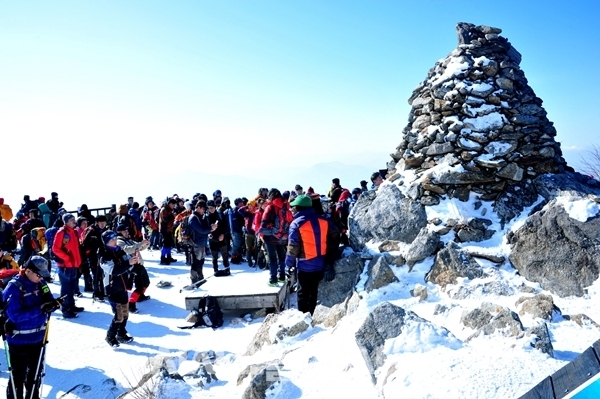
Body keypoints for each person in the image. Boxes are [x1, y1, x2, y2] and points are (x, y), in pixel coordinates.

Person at [2, 256, 61, 399]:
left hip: (38, 338)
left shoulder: (41, 284)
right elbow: (15, 315)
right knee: (18, 377)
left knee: (35, 375)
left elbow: (48, 301)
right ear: (28, 271)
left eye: (43, 275)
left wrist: (53, 305)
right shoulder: (13, 287)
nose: (41, 278)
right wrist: (40, 309)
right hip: (19, 340)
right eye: (38, 274)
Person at [285, 195, 339, 315]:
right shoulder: (324, 220)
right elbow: (335, 235)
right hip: (320, 264)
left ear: (299, 208)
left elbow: (293, 246)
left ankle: (304, 319)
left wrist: (288, 264)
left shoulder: (296, 223)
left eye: (293, 207)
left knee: (302, 293)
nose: (292, 209)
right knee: (313, 292)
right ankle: (313, 314)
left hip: (304, 266)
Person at [99, 230, 137, 347]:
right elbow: (114, 270)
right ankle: (110, 336)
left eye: (115, 239)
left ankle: (121, 333)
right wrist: (128, 264)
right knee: (119, 314)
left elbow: (127, 263)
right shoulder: (104, 255)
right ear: (106, 242)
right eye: (112, 240)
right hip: (112, 289)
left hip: (123, 286)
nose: (115, 241)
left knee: (125, 313)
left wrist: (134, 263)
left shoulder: (119, 250)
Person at [51, 213, 83, 318]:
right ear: (66, 222)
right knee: (66, 288)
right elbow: (55, 249)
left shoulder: (73, 232)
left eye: (74, 219)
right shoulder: (61, 232)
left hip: (73, 265)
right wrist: (67, 258)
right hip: (65, 266)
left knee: (72, 287)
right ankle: (65, 309)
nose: (74, 221)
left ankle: (71, 305)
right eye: (71, 220)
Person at [115, 224, 150, 313]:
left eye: (126, 231)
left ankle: (140, 296)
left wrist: (145, 244)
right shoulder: (119, 241)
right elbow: (128, 250)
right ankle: (131, 304)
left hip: (139, 265)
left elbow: (138, 247)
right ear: (119, 233)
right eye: (124, 231)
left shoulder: (128, 240)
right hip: (132, 266)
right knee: (139, 286)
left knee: (146, 282)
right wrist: (140, 244)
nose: (126, 232)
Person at [260, 189, 292, 286]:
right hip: (283, 237)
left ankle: (273, 279)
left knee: (272, 258)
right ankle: (282, 277)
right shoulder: (286, 206)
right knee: (282, 257)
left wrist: (269, 229)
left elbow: (263, 223)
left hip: (271, 237)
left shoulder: (270, 207)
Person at [188, 201, 217, 284]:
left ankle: (200, 278)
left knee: (201, 262)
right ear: (198, 207)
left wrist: (209, 233)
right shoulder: (193, 218)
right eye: (203, 209)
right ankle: (194, 280)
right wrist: (210, 228)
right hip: (195, 243)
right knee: (195, 263)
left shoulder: (200, 217)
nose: (204, 211)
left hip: (202, 243)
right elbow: (200, 230)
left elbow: (203, 230)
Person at [206, 200, 230, 275]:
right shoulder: (205, 217)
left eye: (212, 207)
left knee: (224, 255)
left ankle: (227, 269)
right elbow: (204, 228)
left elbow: (227, 226)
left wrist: (223, 234)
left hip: (222, 238)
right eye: (209, 208)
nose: (211, 209)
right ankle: (215, 270)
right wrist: (208, 234)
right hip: (212, 240)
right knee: (214, 256)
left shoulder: (220, 214)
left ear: (215, 207)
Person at [158, 198, 178, 265]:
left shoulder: (169, 210)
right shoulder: (164, 209)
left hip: (169, 229)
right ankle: (163, 258)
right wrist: (172, 216)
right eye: (173, 204)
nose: (174, 206)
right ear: (169, 204)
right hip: (164, 229)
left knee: (169, 244)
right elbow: (165, 219)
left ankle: (168, 257)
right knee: (165, 244)